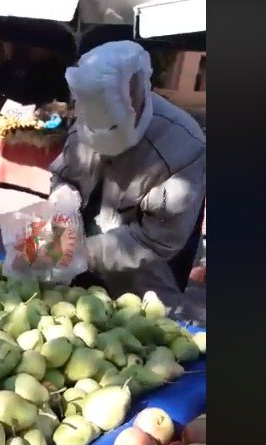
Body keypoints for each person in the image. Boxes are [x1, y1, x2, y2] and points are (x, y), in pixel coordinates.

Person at [48, 41, 206, 311]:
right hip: (74, 275)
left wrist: (82, 252)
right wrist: (63, 201)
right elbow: (66, 177)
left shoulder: (184, 146)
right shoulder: (86, 117)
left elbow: (154, 241)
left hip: (143, 289)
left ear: (139, 97)